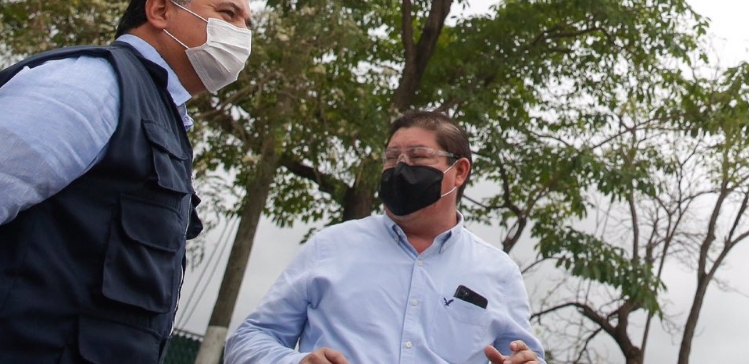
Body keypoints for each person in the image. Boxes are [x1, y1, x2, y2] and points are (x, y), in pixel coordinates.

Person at [0, 0, 254, 362]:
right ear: (160, 11)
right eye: (228, 14)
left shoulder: (161, 119)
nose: (241, 34)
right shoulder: (91, 85)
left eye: (247, 24)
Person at [227, 109, 541, 364]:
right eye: (392, 158)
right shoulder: (331, 246)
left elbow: (525, 357)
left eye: (417, 157)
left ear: (459, 171)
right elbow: (248, 340)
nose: (401, 167)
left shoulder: (498, 272)